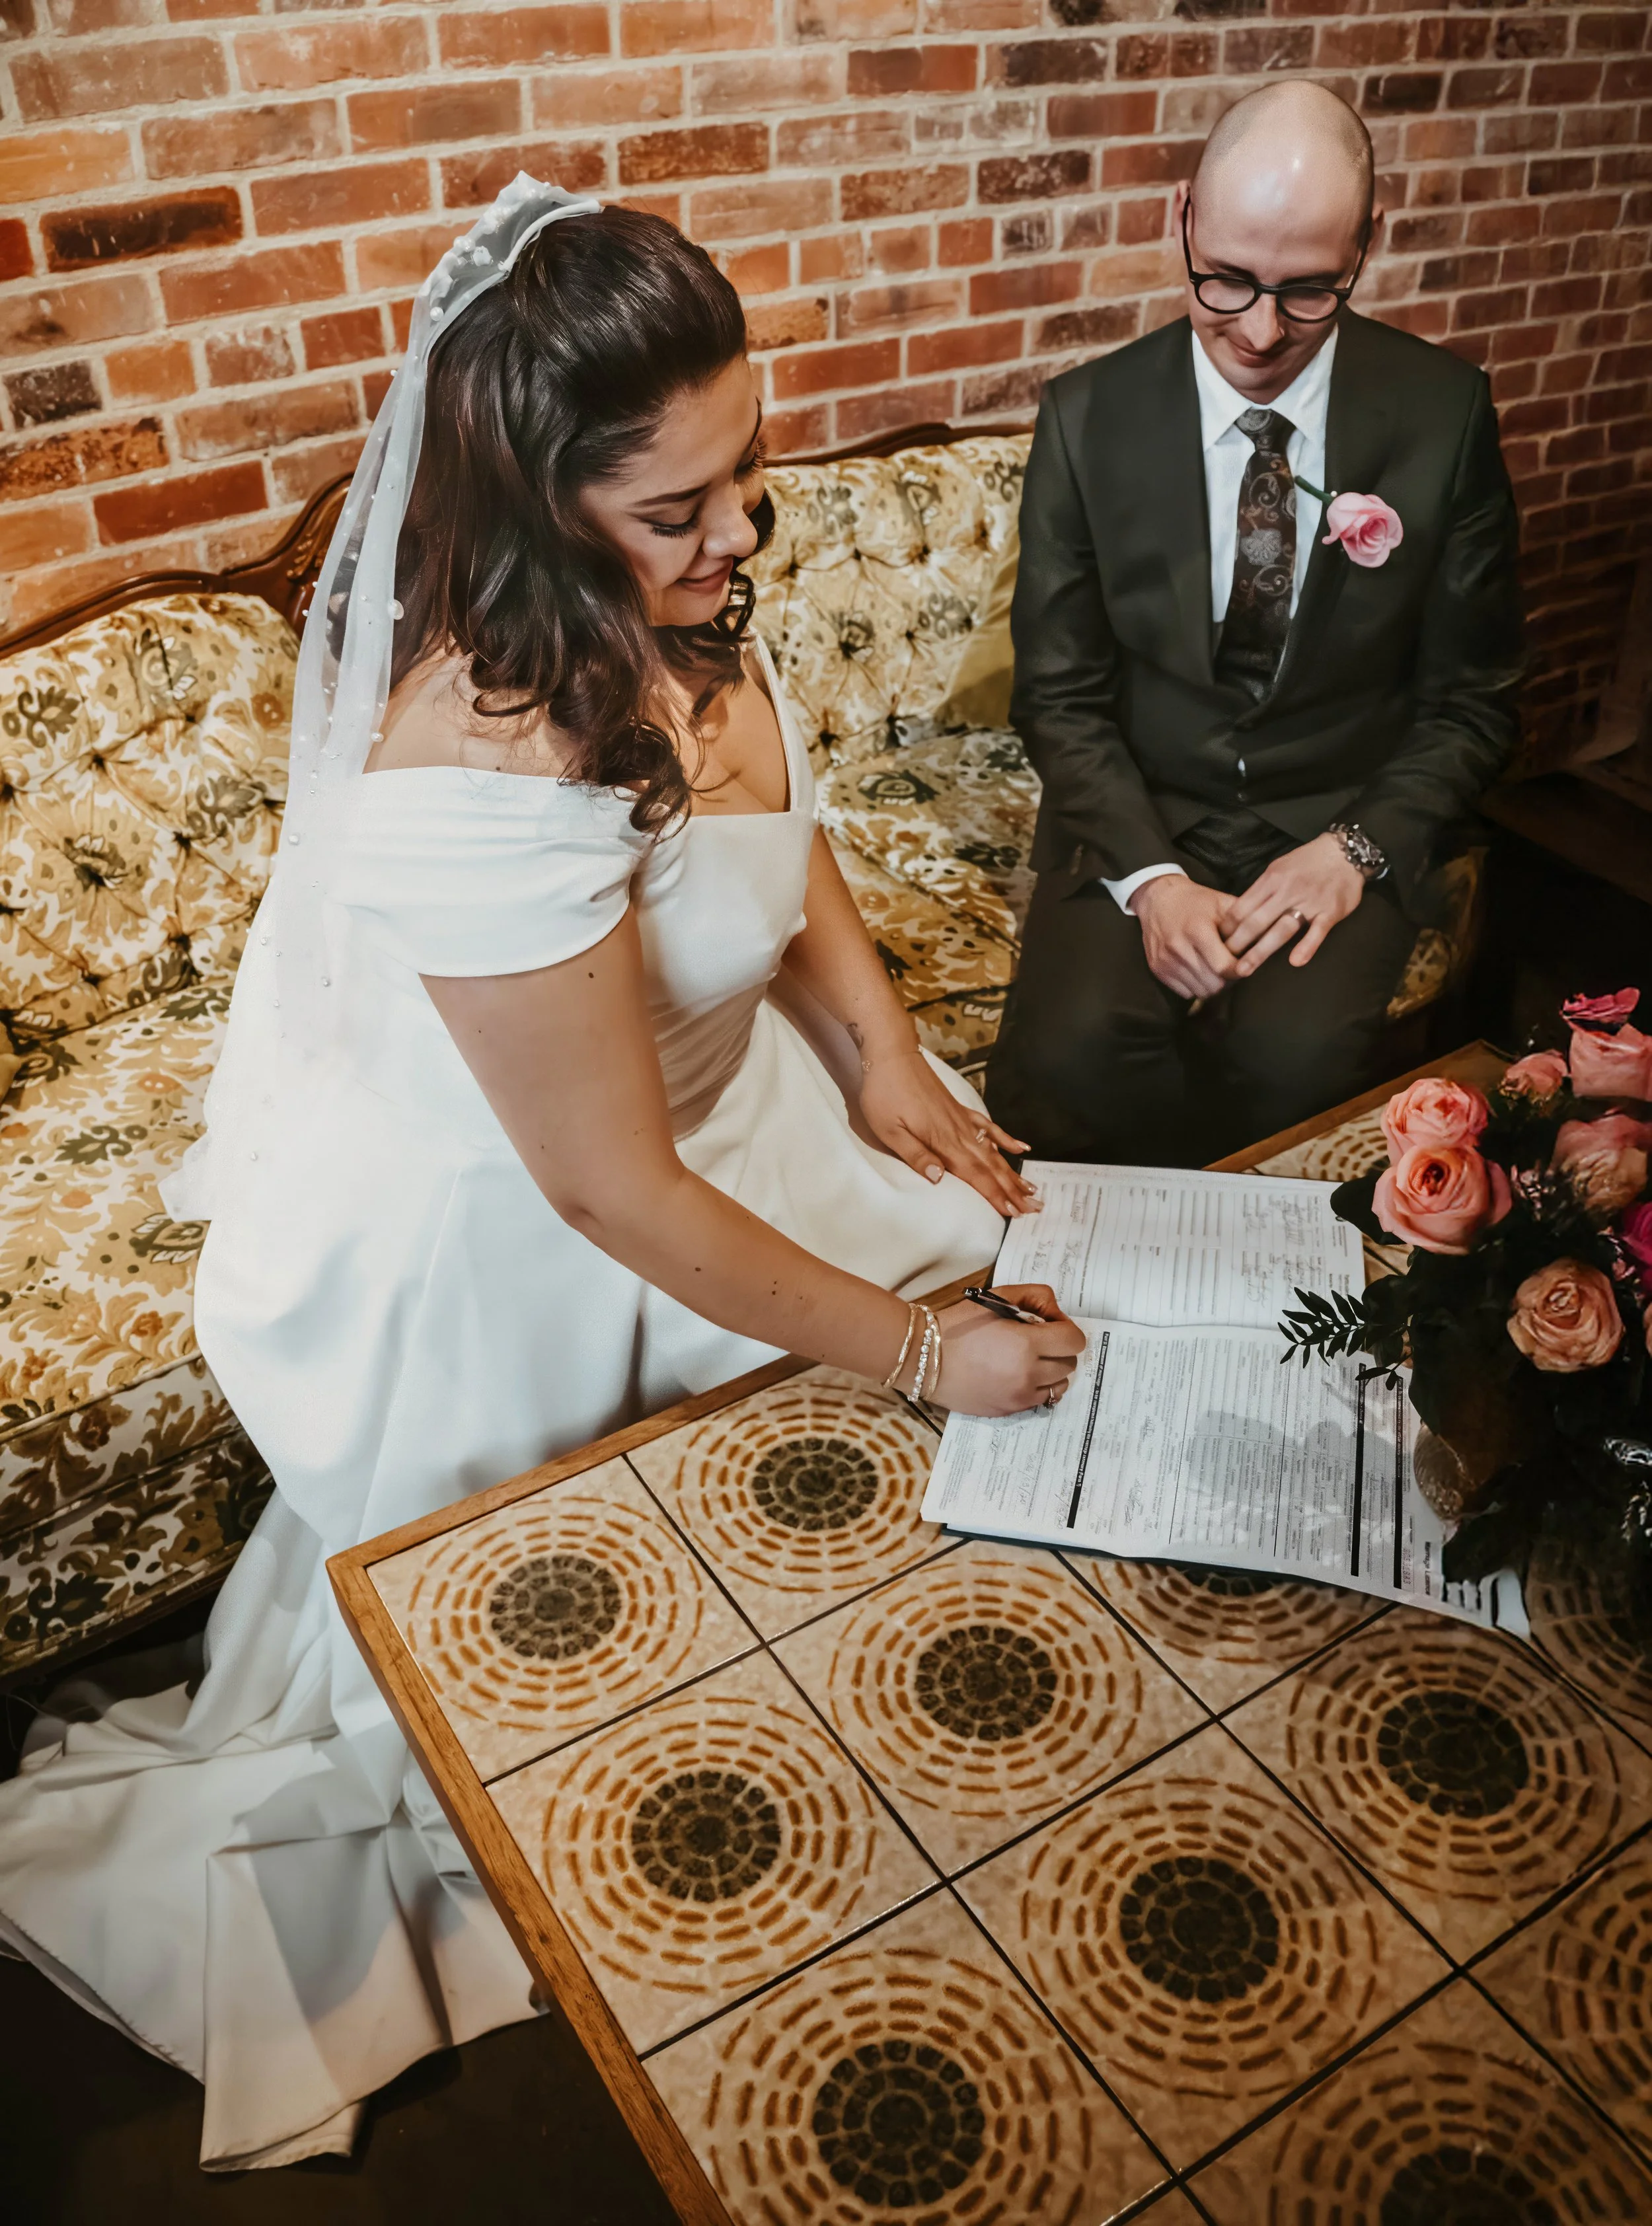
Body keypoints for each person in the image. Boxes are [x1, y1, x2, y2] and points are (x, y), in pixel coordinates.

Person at [0, 182, 1083, 2170]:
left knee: (1022, 1290)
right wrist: (921, 1360)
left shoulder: (691, 595)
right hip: (544, 1220)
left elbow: (788, 817)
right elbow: (615, 1198)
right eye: (678, 510)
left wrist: (881, 1047)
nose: (741, 533)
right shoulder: (483, 759)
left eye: (744, 472)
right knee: (858, 1461)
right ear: (537, 511)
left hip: (719, 1099)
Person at [986, 80, 1523, 1166]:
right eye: (1225, 282)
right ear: (1178, 215)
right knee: (1064, 1062)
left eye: (1309, 292)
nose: (1263, 332)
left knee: (1293, 1074)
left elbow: (1476, 700)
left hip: (1336, 814)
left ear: (1370, 245)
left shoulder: (1443, 414)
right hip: (1142, 810)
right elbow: (1060, 693)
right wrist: (1151, 878)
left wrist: (1358, 847)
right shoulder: (1086, 419)